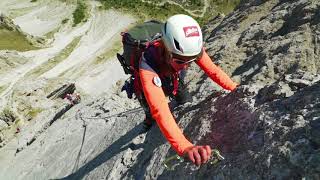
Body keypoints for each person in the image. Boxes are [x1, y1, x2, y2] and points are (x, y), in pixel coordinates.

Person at [136, 14, 238, 166]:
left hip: (172, 74)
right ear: (167, 49)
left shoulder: (190, 51)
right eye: (180, 60)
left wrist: (235, 89)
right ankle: (148, 119)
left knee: (182, 93)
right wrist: (185, 147)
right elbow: (160, 109)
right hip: (153, 76)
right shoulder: (147, 64)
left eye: (191, 61)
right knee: (150, 106)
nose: (186, 65)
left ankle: (175, 93)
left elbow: (213, 71)